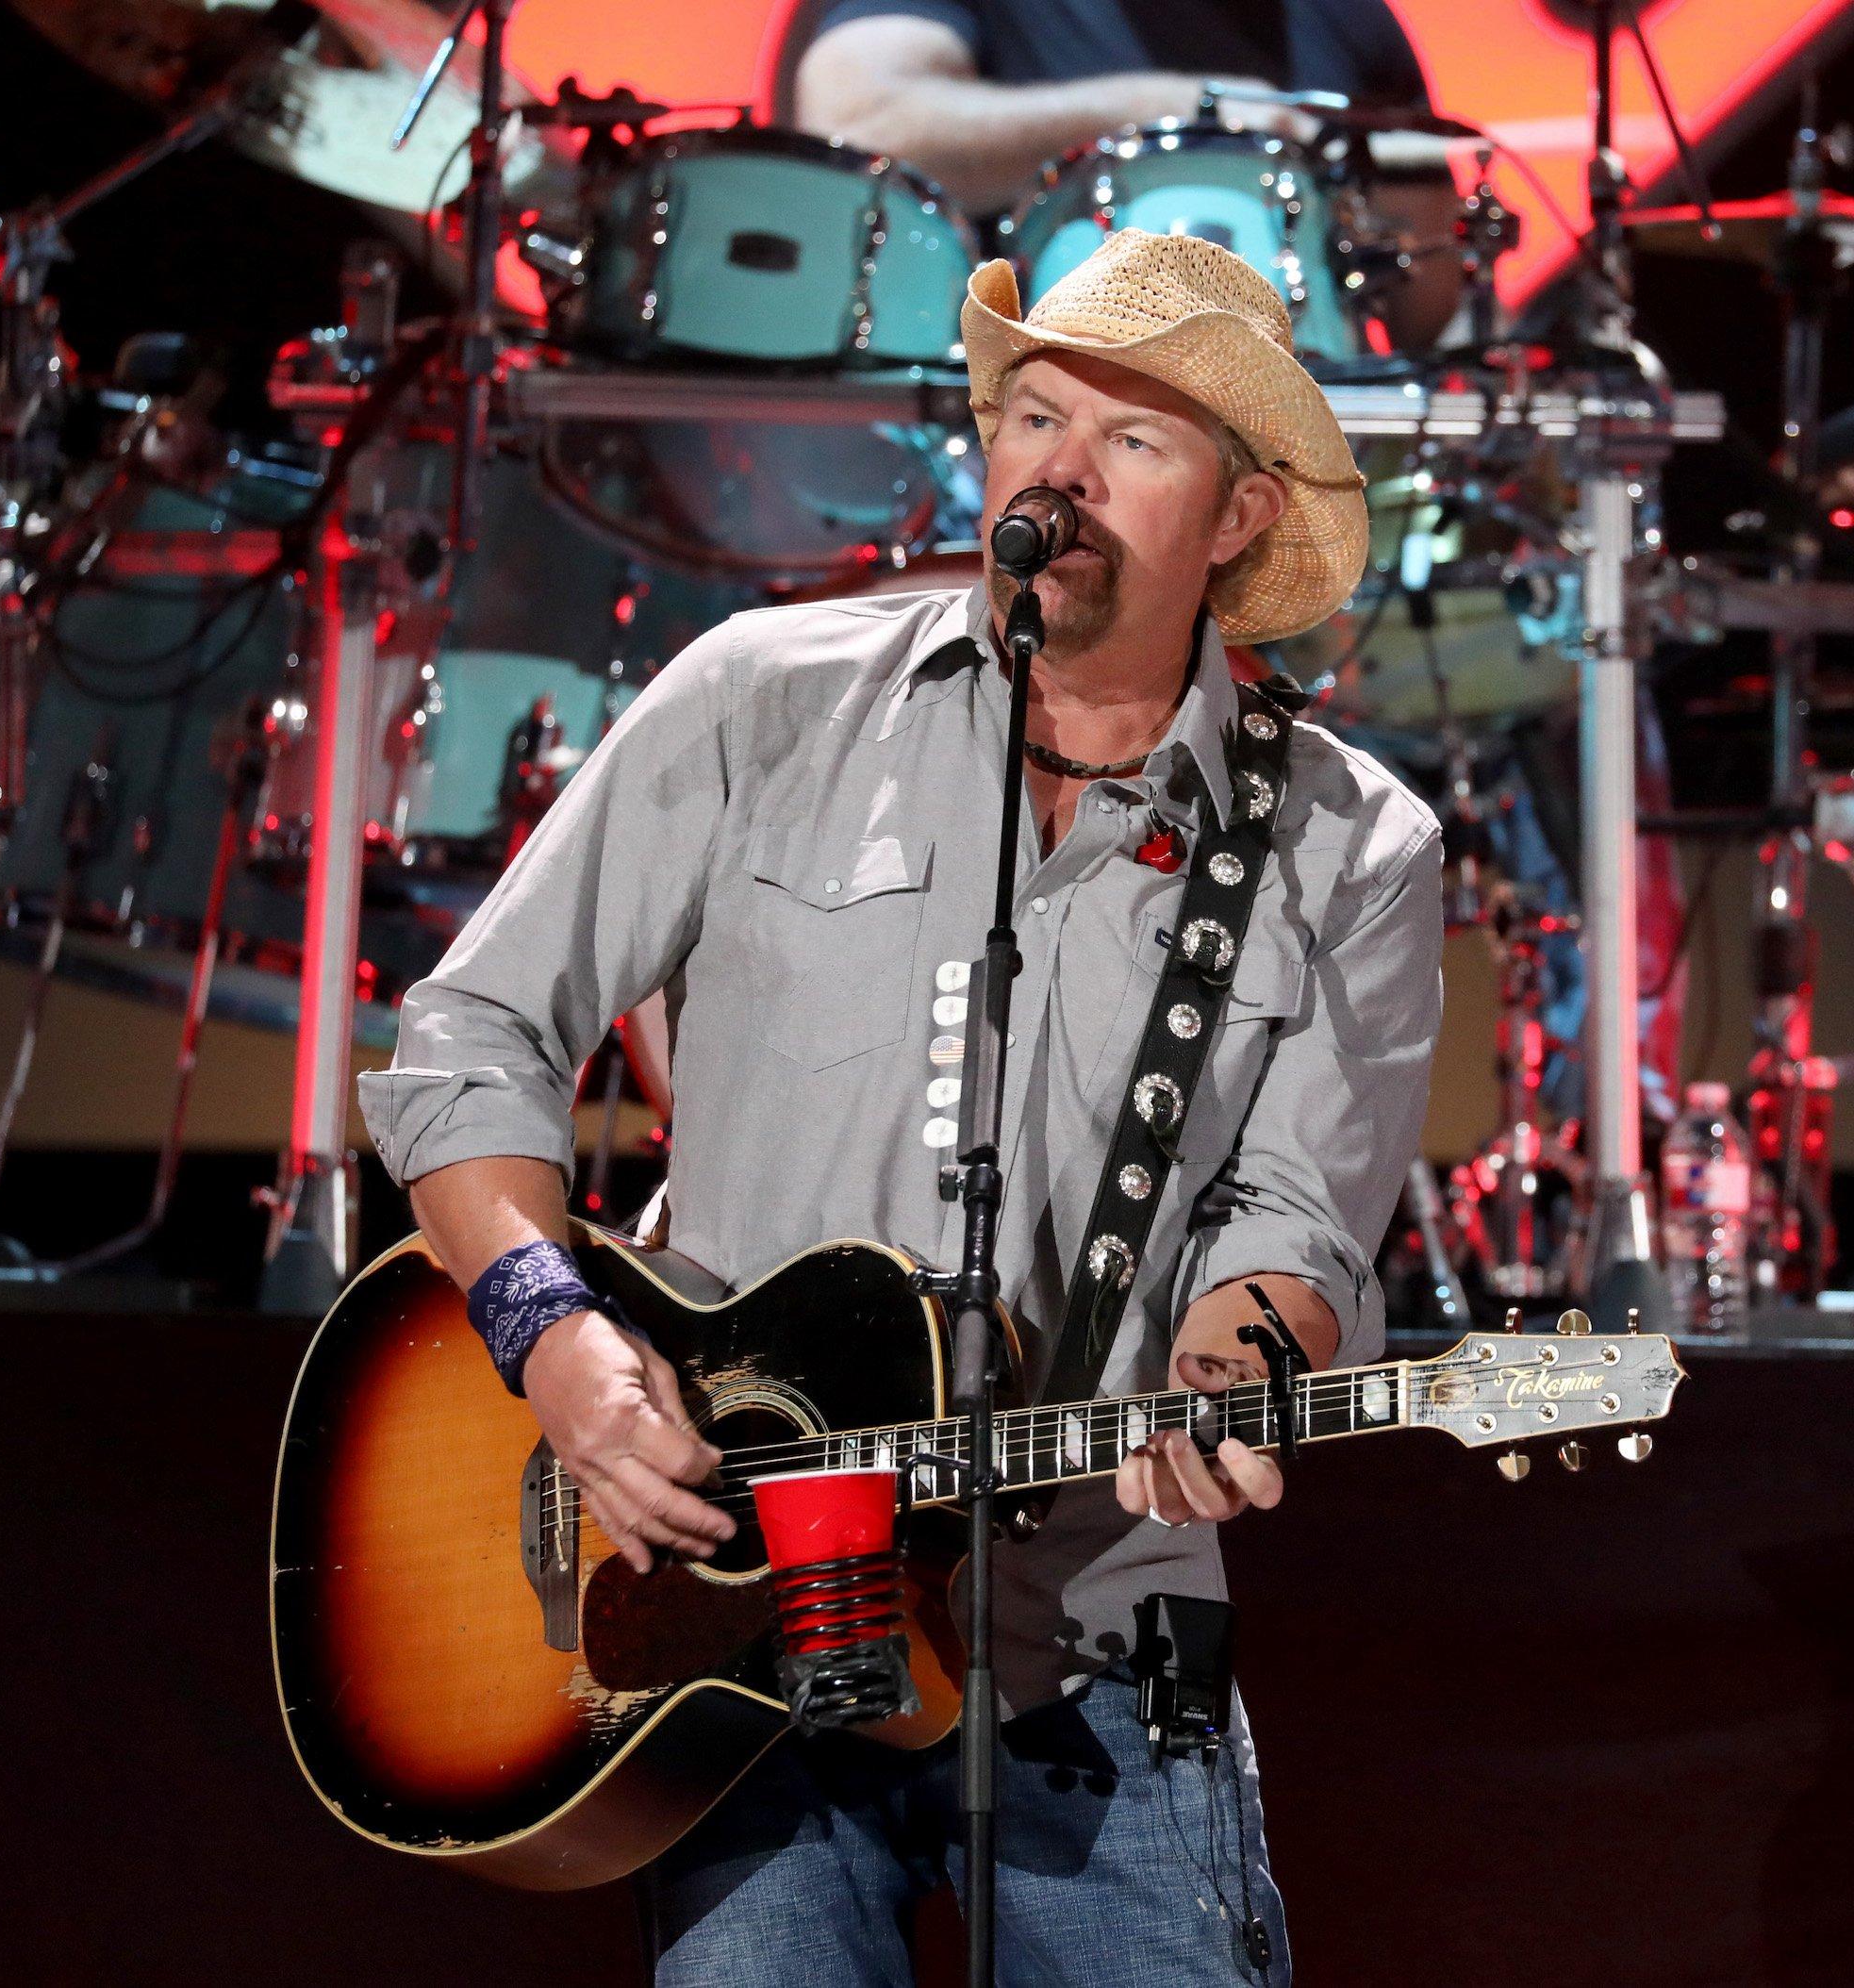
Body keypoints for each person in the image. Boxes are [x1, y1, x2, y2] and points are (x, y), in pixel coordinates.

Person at [359, 228, 1445, 1985]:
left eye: (1134, 440)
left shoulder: (1349, 843)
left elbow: (1292, 1221)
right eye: (1032, 414)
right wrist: (552, 1330)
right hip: (741, 1635)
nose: (1058, 471)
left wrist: (1240, 1359)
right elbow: (473, 1028)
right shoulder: (756, 702)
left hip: (1093, 1643)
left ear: (1239, 517)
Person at [787, 0, 1436, 216]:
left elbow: (1425, 305)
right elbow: (855, 125)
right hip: (1009, 436)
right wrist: (1175, 110)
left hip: (1298, 451)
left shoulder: (1354, 18)